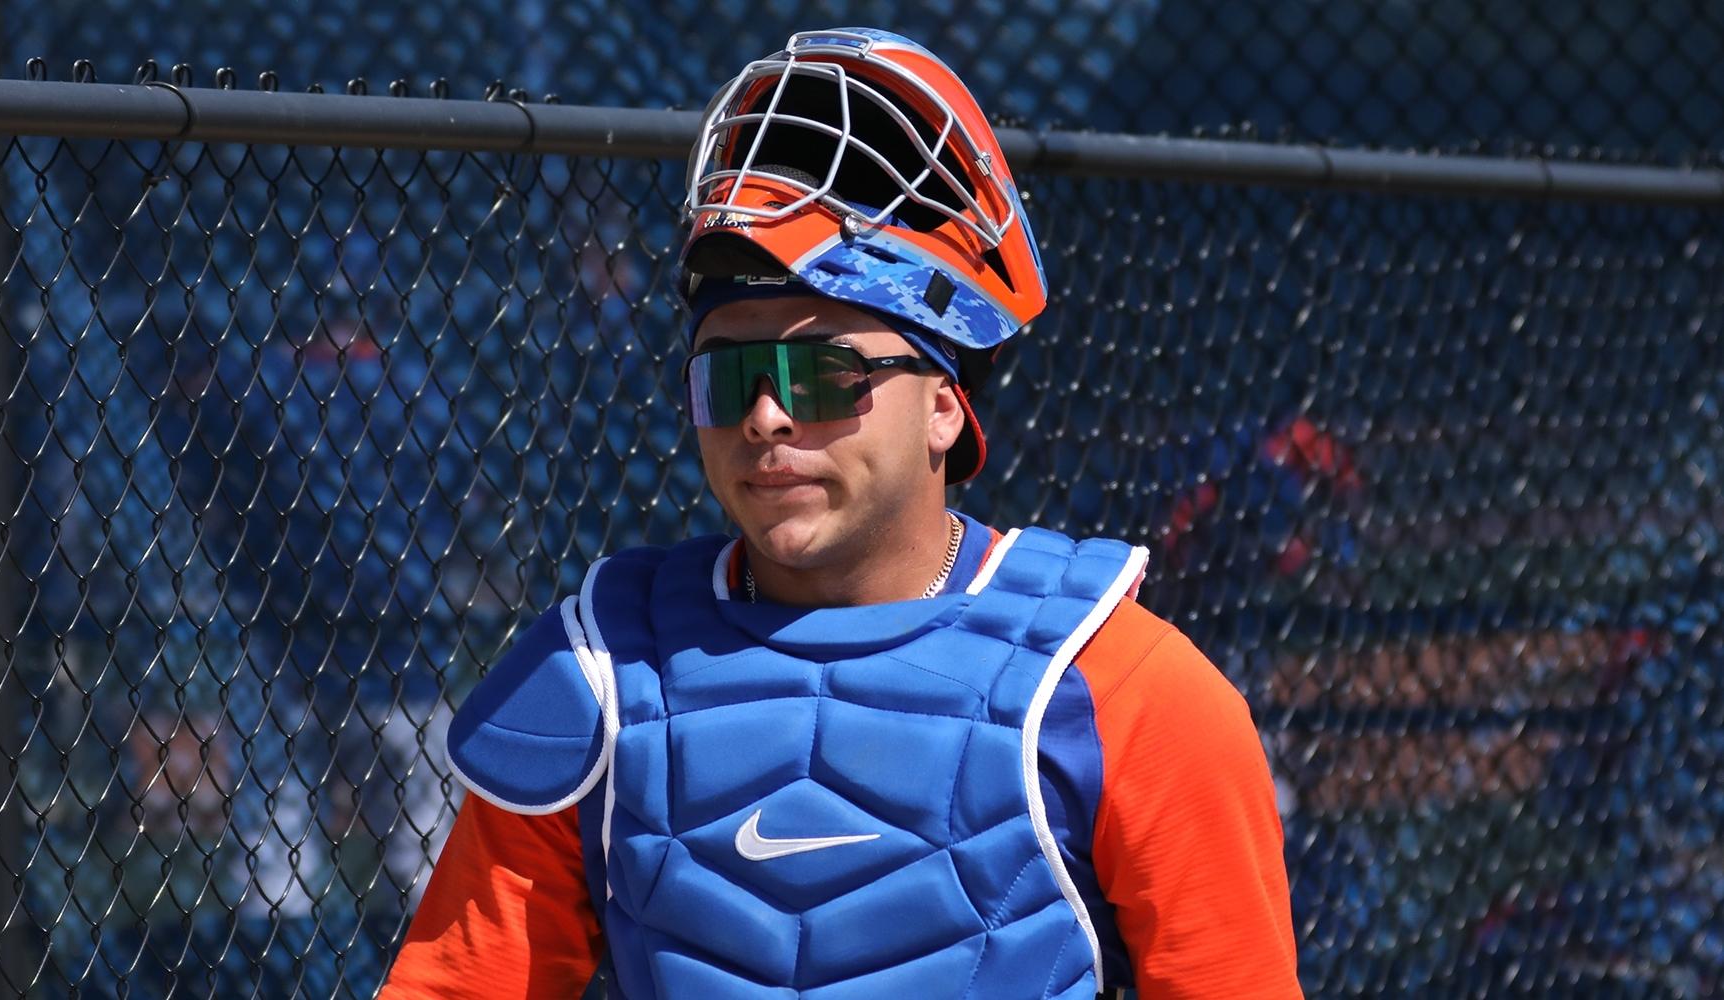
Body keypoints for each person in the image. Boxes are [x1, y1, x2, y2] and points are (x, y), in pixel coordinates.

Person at [383, 27, 1299, 999]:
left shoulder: (1122, 689)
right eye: (729, 374)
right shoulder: (599, 670)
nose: (766, 416)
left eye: (824, 372)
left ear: (945, 404)